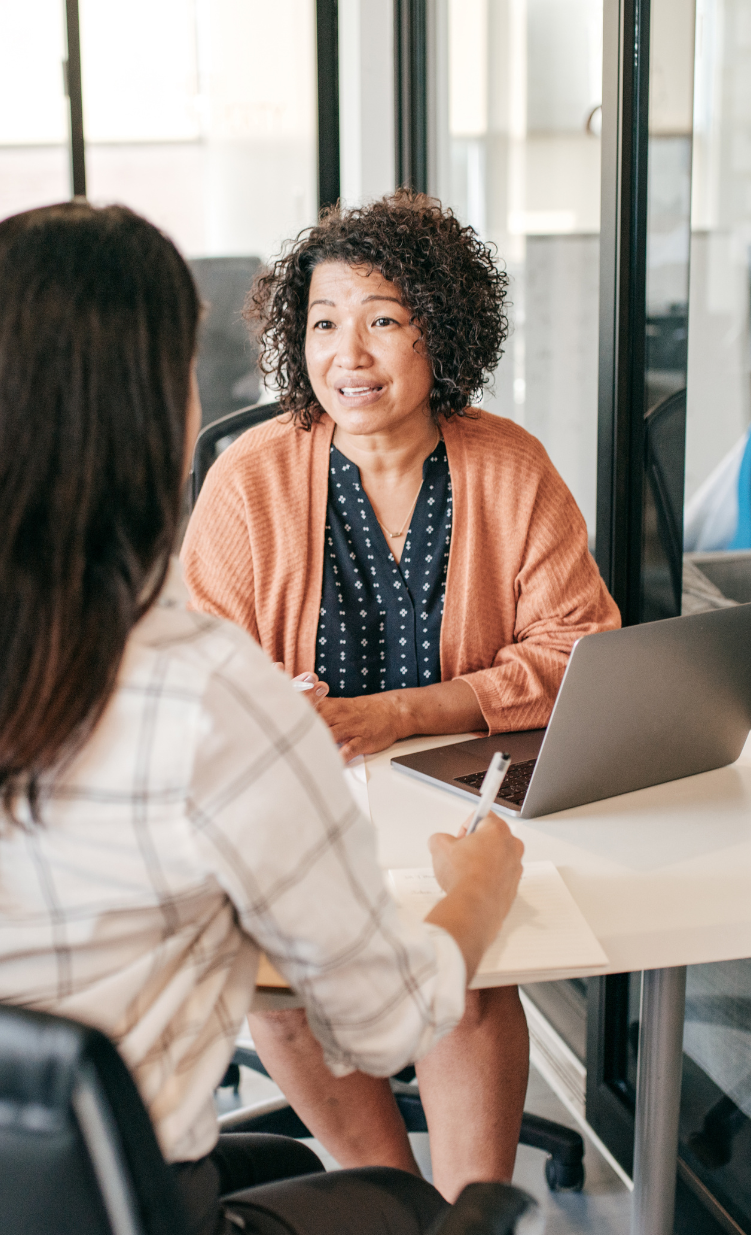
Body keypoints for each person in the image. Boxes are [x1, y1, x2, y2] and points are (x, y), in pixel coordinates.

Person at [0, 201, 525, 1235]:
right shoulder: (207, 692)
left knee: (266, 1152)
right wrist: (480, 894)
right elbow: (385, 1014)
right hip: (113, 1203)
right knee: (400, 1200)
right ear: (148, 417)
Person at [182, 190, 621, 1199]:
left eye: (383, 319)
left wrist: (402, 712)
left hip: (457, 790)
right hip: (300, 799)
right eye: (325, 324)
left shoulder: (509, 467)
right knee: (280, 986)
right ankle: (391, 1200)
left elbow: (580, 649)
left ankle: (472, 1209)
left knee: (463, 976)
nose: (350, 354)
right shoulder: (247, 480)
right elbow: (196, 670)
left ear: (441, 330)